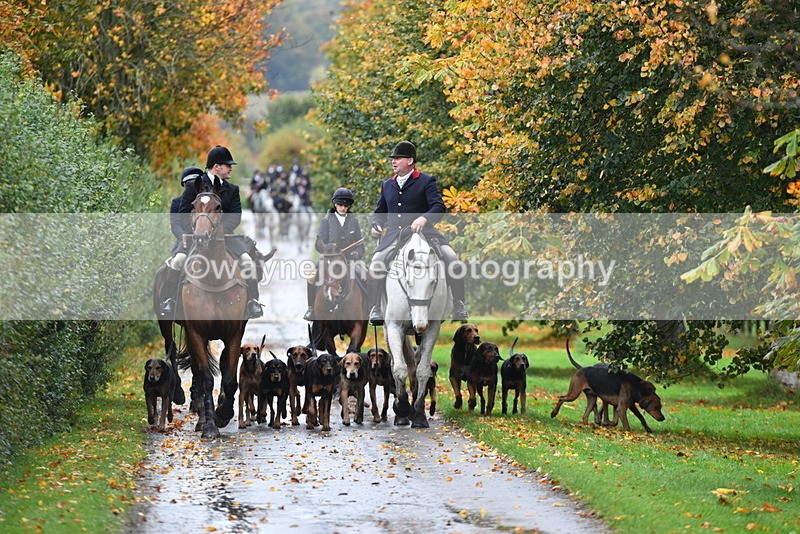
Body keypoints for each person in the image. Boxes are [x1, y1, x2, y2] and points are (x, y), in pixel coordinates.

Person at [367, 141, 468, 325]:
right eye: (393, 158)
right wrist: (376, 225)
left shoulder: (426, 180)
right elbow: (380, 212)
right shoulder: (387, 184)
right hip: (394, 236)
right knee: (376, 263)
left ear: (410, 160)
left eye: (398, 158)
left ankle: (459, 304)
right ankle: (374, 307)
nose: (394, 161)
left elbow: (439, 206)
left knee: (452, 257)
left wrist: (424, 218)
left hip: (425, 234)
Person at [159, 145, 264, 319]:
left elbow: (235, 217)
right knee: (177, 262)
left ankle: (253, 302)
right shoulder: (194, 185)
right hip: (195, 238)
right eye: (227, 165)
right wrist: (197, 231)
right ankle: (170, 300)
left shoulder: (233, 190)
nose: (231, 168)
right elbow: (184, 214)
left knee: (248, 262)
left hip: (225, 238)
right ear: (216, 167)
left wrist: (217, 231)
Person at [303, 187, 366, 321]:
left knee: (367, 275)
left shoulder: (353, 221)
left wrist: (357, 253)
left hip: (349, 260)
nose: (343, 208)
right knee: (312, 276)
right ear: (335, 204)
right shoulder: (326, 221)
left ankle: (369, 308)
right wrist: (328, 248)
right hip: (330, 260)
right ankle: (310, 308)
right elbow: (318, 243)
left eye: (346, 206)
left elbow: (360, 244)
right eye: (340, 205)